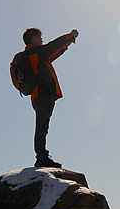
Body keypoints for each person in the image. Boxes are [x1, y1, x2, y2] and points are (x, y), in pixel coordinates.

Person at [22, 26, 78, 168]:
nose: (42, 40)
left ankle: (42, 157)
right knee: (41, 128)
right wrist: (70, 36)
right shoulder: (35, 52)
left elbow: (53, 53)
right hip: (42, 94)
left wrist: (67, 43)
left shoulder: (34, 54)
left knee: (42, 127)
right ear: (33, 39)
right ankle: (41, 158)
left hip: (39, 95)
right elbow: (53, 46)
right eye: (39, 37)